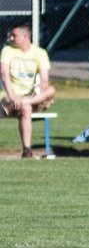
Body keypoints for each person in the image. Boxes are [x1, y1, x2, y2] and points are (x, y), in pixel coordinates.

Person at [1, 23, 56, 158]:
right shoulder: (7, 51)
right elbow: (4, 74)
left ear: (25, 36)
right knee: (25, 107)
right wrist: (13, 96)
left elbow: (44, 80)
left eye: (14, 35)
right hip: (11, 97)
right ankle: (27, 149)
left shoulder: (40, 53)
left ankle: (25, 101)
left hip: (31, 97)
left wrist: (40, 87)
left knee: (51, 90)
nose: (11, 38)